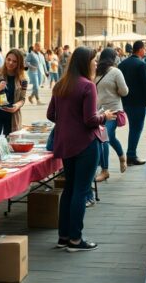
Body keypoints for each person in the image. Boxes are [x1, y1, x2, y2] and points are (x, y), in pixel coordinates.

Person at [47, 46, 116, 252]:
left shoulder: (60, 84)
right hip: (86, 143)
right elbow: (90, 120)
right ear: (85, 62)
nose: (96, 63)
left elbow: (51, 114)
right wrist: (105, 116)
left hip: (65, 142)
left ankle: (63, 237)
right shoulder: (87, 85)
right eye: (94, 60)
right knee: (81, 190)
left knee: (69, 188)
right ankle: (76, 240)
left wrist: (68, 121)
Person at [94, 47, 129, 185]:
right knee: (110, 138)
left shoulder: (113, 72)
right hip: (100, 112)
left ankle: (105, 170)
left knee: (104, 138)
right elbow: (124, 92)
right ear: (113, 58)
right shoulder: (109, 72)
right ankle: (121, 157)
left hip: (113, 111)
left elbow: (124, 92)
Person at [118, 40, 146, 166]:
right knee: (136, 128)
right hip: (138, 102)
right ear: (140, 49)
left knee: (133, 127)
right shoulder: (141, 64)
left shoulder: (122, 64)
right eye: (145, 48)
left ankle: (131, 154)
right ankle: (131, 155)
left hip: (126, 101)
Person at [0, 49, 28, 136]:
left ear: (19, 63)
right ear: (5, 59)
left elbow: (22, 99)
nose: (10, 63)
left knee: (10, 141)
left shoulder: (23, 79)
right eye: (8, 59)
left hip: (12, 115)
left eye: (15, 61)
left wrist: (17, 106)